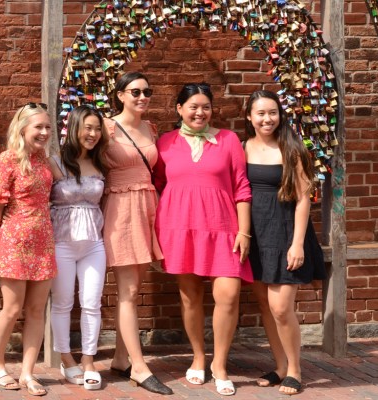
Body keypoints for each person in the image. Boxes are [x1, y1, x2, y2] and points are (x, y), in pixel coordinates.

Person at [154, 83, 252, 396]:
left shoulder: (229, 140)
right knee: (189, 297)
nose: (200, 112)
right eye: (193, 106)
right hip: (180, 229)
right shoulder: (165, 143)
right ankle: (198, 356)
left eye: (205, 106)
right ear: (179, 109)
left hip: (223, 228)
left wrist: (244, 230)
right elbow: (156, 185)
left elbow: (242, 187)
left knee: (228, 294)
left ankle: (220, 363)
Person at [243, 90, 326, 395]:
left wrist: (298, 244)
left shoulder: (291, 148)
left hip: (286, 232)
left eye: (273, 112)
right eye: (261, 113)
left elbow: (304, 199)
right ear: (250, 117)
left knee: (280, 307)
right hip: (256, 232)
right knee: (266, 305)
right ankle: (280, 367)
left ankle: (295, 369)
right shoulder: (243, 147)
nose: (268, 119)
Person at [101, 72, 172, 395]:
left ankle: (120, 357)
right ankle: (140, 368)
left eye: (147, 91)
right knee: (128, 292)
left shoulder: (150, 128)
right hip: (120, 209)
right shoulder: (105, 128)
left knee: (134, 286)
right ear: (119, 95)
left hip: (147, 207)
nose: (142, 97)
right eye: (135, 92)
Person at [0, 102, 57, 397]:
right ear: (23, 128)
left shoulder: (45, 160)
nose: (43, 132)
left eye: (48, 127)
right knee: (12, 308)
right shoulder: (9, 159)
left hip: (44, 242)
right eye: (38, 127)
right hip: (14, 242)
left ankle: (28, 372)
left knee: (37, 310)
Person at [48, 105, 108, 390]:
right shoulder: (55, 162)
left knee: (92, 304)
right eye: (88, 127)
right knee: (62, 304)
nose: (93, 134)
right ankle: (66, 358)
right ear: (73, 128)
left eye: (97, 128)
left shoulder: (101, 163)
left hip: (94, 243)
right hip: (62, 243)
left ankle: (88, 360)